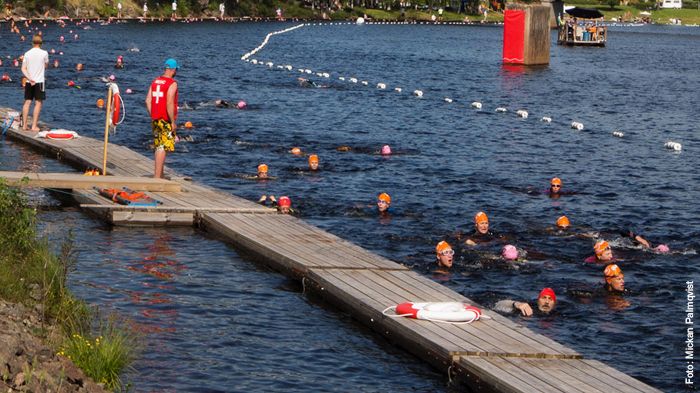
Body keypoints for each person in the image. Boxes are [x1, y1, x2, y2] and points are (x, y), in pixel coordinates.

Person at [145, 58, 179, 179]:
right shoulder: (172, 83)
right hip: (165, 119)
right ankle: (157, 177)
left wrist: (153, 114)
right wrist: (173, 121)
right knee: (163, 147)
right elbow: (169, 101)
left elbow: (148, 100)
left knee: (159, 145)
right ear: (173, 69)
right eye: (176, 70)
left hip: (155, 118)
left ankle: (160, 174)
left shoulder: (155, 81)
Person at [21, 34, 49, 132]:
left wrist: (30, 78)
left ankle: (24, 125)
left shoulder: (27, 53)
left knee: (27, 102)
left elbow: (23, 69)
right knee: (38, 103)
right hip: (39, 81)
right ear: (41, 43)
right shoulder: (44, 53)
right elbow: (46, 65)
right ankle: (34, 126)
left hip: (29, 81)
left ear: (32, 43)